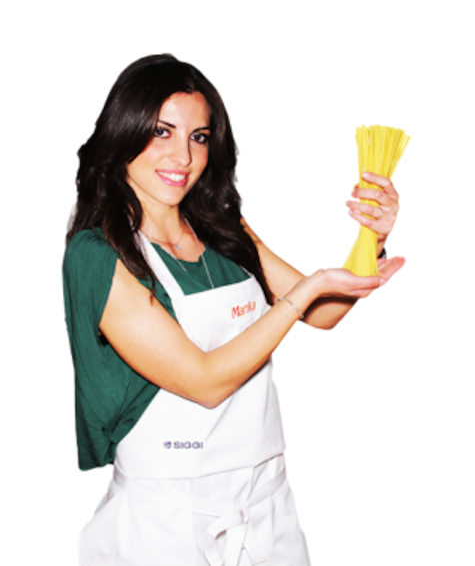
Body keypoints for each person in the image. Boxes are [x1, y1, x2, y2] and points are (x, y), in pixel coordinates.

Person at [62, 51, 408, 565]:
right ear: (123, 132)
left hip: (266, 504)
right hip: (167, 520)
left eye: (199, 137)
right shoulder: (96, 255)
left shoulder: (226, 228)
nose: (183, 156)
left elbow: (323, 315)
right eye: (161, 132)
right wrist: (306, 291)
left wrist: (371, 239)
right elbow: (204, 381)